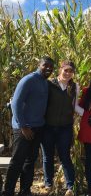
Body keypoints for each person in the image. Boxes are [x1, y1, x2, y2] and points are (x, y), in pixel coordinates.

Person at [2, 56, 54, 196]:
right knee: (17, 161)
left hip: (38, 127)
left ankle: (25, 191)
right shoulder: (28, 80)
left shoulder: (44, 82)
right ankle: (8, 191)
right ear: (39, 65)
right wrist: (23, 127)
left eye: (51, 66)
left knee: (30, 161)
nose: (48, 68)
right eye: (45, 65)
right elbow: (15, 104)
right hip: (23, 128)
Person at [40, 60, 84, 196]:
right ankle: (48, 184)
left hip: (65, 127)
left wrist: (88, 115)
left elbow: (75, 106)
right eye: (66, 70)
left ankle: (70, 186)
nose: (68, 73)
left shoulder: (74, 86)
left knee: (65, 156)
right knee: (48, 156)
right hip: (48, 126)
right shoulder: (49, 84)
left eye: (71, 71)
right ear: (60, 70)